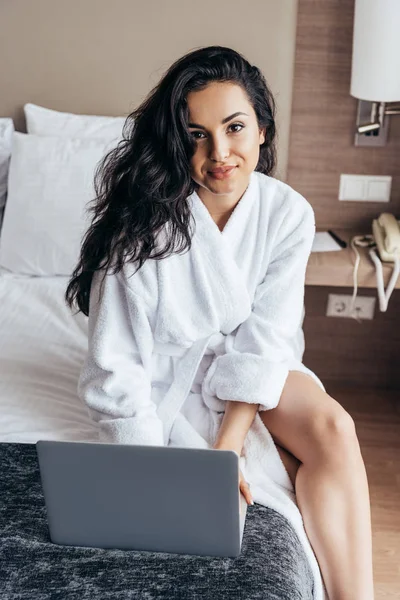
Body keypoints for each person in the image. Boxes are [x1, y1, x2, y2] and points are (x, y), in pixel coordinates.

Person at [65, 46, 374, 600]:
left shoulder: (286, 213)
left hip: (253, 368)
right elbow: (116, 365)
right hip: (170, 372)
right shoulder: (140, 226)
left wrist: (230, 444)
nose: (219, 153)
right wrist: (149, 467)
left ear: (261, 130)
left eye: (234, 127)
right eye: (196, 134)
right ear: (174, 142)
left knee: (333, 429)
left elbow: (266, 339)